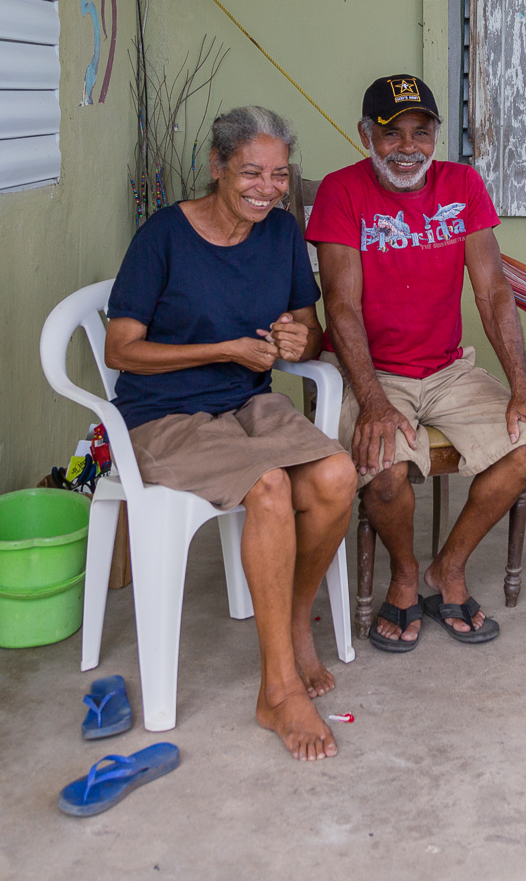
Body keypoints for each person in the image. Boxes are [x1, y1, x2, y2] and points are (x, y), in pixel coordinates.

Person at [103, 106, 357, 761]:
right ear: (217, 167)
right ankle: (277, 688)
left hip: (247, 404)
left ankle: (296, 622)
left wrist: (304, 337)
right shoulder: (162, 236)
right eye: (251, 171)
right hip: (163, 416)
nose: (267, 187)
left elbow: (307, 324)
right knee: (269, 488)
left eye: (279, 174)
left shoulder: (279, 235)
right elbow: (121, 349)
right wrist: (220, 348)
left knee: (336, 476)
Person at [308, 75, 526, 652]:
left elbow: (493, 292)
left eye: (422, 133)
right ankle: (402, 573)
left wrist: (523, 387)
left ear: (437, 136)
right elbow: (340, 305)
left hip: (446, 369)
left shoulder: (463, 185)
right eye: (392, 135)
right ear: (366, 135)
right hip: (373, 372)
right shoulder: (342, 193)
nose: (408, 148)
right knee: (386, 465)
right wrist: (370, 398)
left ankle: (449, 568)